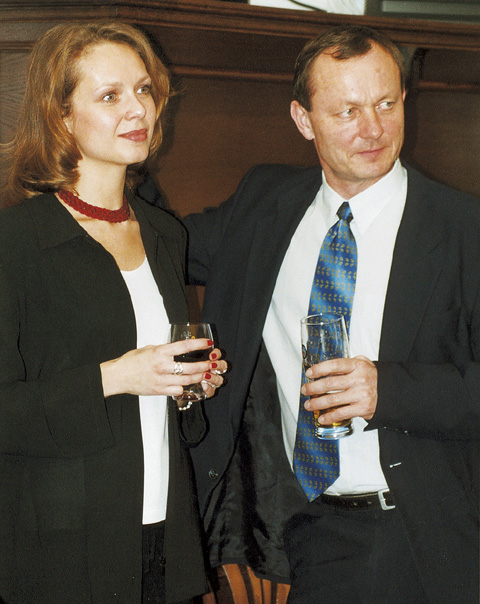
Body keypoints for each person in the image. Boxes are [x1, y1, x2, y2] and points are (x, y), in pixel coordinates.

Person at [183, 25, 480, 604]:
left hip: (435, 534)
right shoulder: (263, 205)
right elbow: (159, 244)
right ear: (303, 119)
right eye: (347, 111)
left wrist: (390, 390)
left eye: (386, 104)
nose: (373, 129)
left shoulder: (464, 229)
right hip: (314, 528)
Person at [0, 21, 227, 604]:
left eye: (144, 89)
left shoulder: (164, 233)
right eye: (110, 95)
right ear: (61, 116)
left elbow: (162, 392)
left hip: (165, 529)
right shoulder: (16, 242)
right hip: (61, 547)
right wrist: (116, 376)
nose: (138, 109)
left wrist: (189, 385)